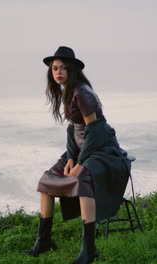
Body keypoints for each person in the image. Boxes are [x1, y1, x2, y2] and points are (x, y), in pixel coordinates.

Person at [26, 46, 131, 264]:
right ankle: (43, 240)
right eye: (55, 68)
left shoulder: (82, 92)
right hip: (80, 148)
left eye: (63, 68)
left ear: (72, 70)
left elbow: (94, 130)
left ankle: (89, 250)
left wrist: (81, 162)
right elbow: (73, 129)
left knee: (82, 177)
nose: (58, 72)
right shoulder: (66, 91)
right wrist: (72, 157)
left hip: (102, 148)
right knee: (47, 180)